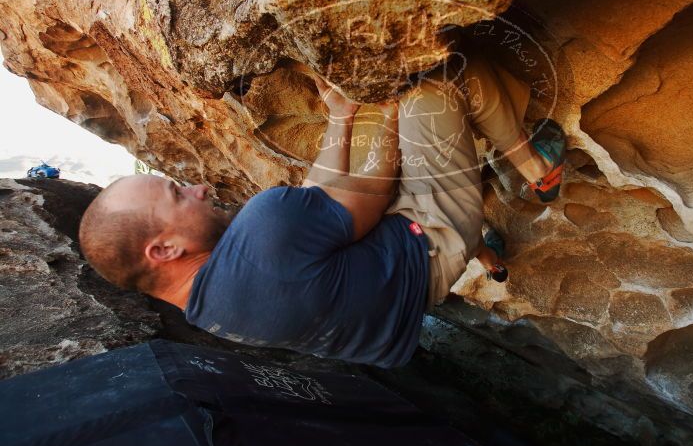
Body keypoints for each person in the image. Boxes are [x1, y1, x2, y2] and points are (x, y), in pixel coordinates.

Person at [79, 46, 566, 368]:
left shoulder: (203, 310)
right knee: (441, 73)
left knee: (336, 205)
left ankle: (487, 256)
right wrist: (388, 100)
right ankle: (534, 169)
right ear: (163, 248)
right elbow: (374, 185)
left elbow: (309, 207)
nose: (199, 190)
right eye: (177, 195)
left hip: (399, 307)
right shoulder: (265, 232)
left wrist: (344, 117)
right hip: (427, 242)